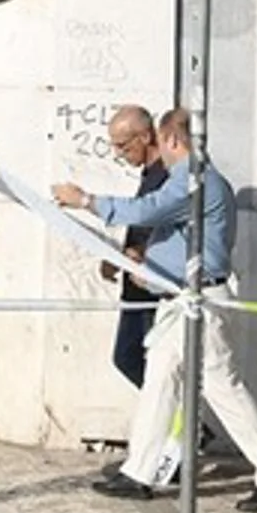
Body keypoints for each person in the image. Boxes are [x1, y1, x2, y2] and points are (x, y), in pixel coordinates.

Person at [52, 108, 257, 513]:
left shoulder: (193, 180)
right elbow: (172, 235)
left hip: (199, 304)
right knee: (159, 380)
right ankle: (140, 472)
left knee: (224, 390)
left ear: (170, 140)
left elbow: (145, 211)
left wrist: (85, 201)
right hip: (180, 302)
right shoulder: (197, 180)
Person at [101, 106, 168, 387]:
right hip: (136, 283)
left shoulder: (167, 176)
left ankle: (193, 427)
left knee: (145, 361)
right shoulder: (149, 175)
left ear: (144, 137)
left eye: (122, 146)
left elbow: (163, 223)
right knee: (129, 358)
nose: (118, 153)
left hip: (154, 283)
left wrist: (142, 254)